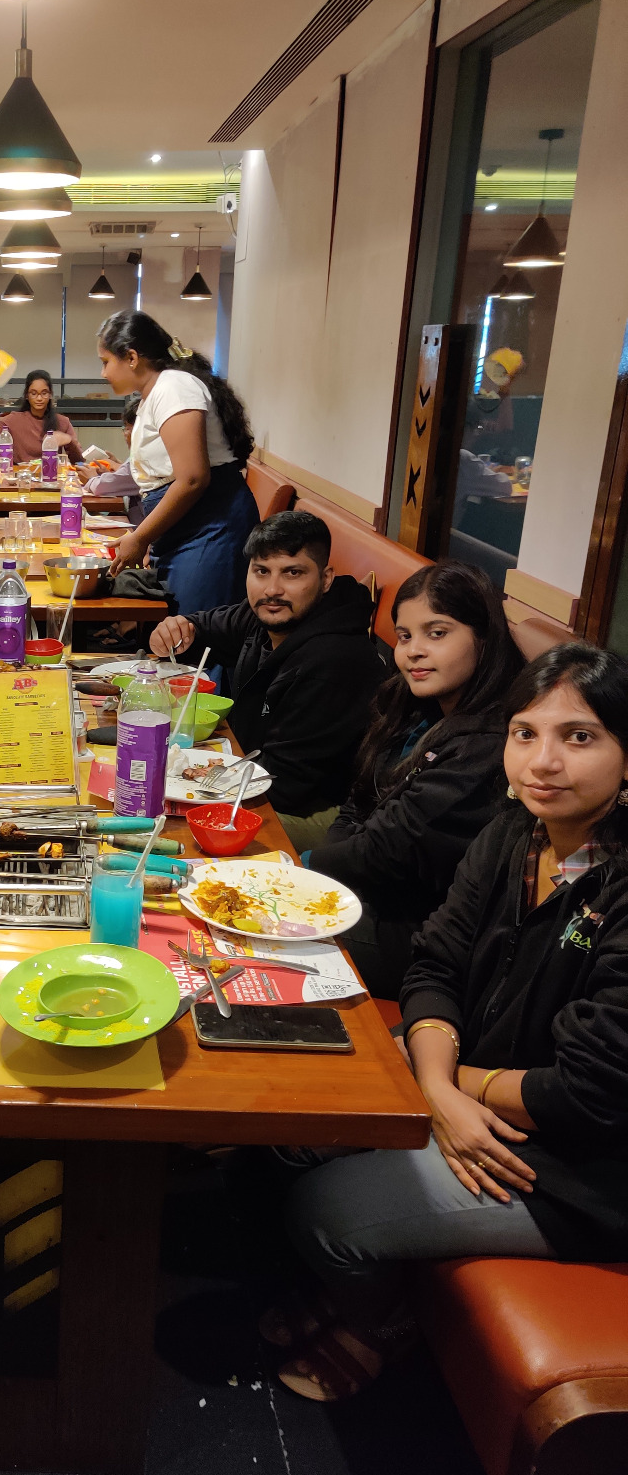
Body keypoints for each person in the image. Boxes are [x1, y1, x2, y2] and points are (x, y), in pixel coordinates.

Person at [277, 643, 628, 1402]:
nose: (542, 761)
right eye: (525, 733)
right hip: (475, 1087)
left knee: (325, 1211)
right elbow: (434, 962)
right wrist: (438, 1090)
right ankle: (360, 1279)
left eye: (580, 736)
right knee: (293, 1121)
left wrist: (451, 1086)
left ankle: (384, 1325)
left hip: (578, 1169)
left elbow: (589, 1092)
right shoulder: (517, 834)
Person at [307, 562, 524, 997]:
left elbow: (386, 851)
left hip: (417, 937)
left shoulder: (488, 744)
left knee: (256, 922)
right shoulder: (417, 705)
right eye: (405, 636)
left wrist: (304, 870)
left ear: (484, 637)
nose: (413, 651)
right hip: (372, 896)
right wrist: (319, 869)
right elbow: (358, 799)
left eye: (437, 633)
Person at [150, 511, 387, 850]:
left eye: (293, 573)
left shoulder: (335, 661)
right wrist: (176, 629)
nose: (273, 590)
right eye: (261, 571)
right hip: (257, 776)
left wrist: (192, 775)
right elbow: (204, 628)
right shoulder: (265, 616)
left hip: (321, 816)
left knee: (170, 828)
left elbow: (285, 786)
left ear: (325, 579)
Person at [97, 311, 259, 613]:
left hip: (210, 525)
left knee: (196, 627)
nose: (103, 373)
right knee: (177, 626)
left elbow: (193, 478)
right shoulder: (152, 395)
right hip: (182, 524)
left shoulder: (173, 387)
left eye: (105, 362)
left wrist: (142, 536)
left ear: (131, 357)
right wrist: (149, 536)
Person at [0, 367, 82, 465]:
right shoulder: (14, 419)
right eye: (34, 393)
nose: (39, 398)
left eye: (44, 393)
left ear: (50, 395)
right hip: (19, 476)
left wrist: (69, 440)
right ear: (27, 395)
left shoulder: (62, 422)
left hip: (50, 476)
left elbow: (79, 461)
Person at [82, 391, 144, 526]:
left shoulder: (143, 457)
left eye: (128, 428)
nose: (125, 434)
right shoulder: (141, 453)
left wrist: (91, 478)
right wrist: (117, 466)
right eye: (124, 428)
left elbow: (102, 487)